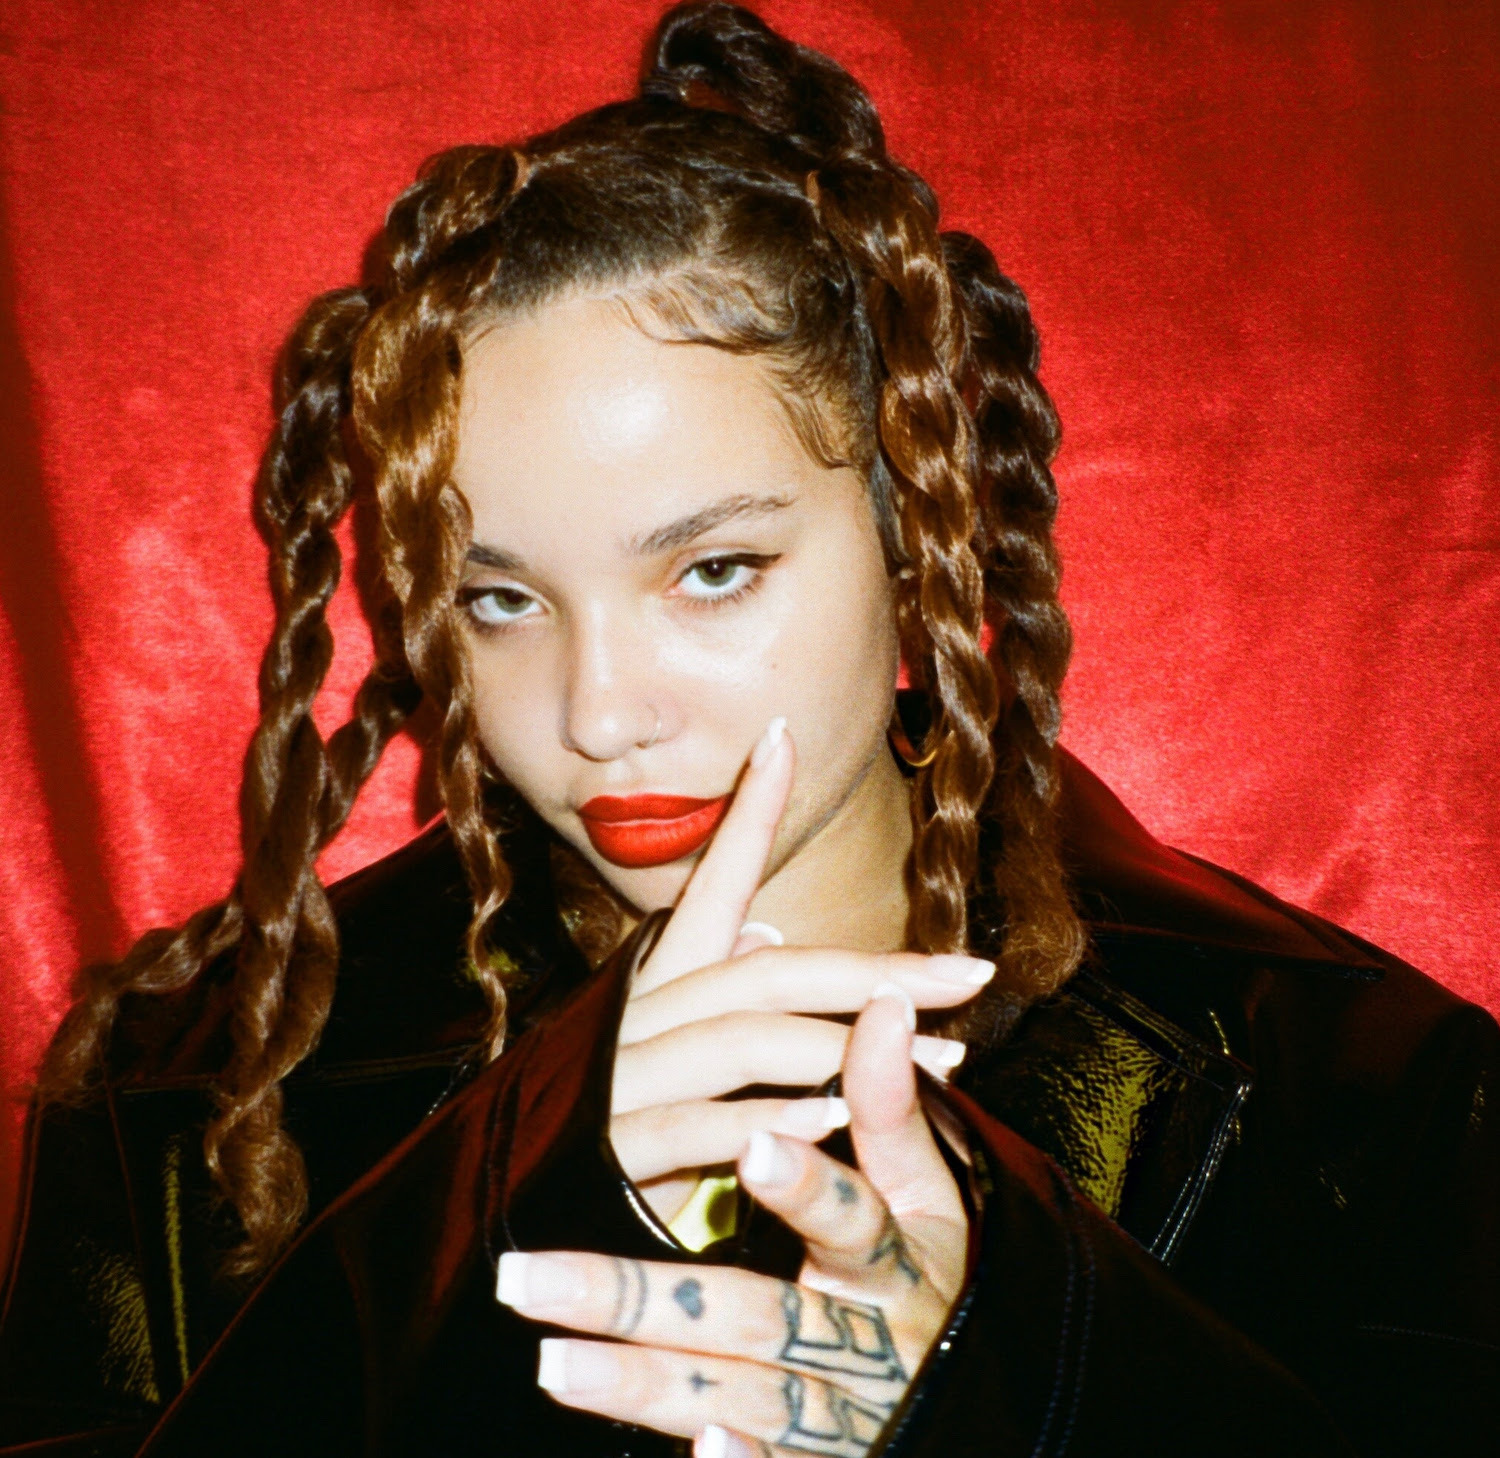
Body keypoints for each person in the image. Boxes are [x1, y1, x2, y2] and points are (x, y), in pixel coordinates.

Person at [2, 4, 1496, 1456]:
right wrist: (463, 1243)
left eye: (712, 571)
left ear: (919, 545)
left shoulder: (1370, 1104)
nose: (599, 714)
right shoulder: (179, 1097)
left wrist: (1025, 1388)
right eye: (500, 599)